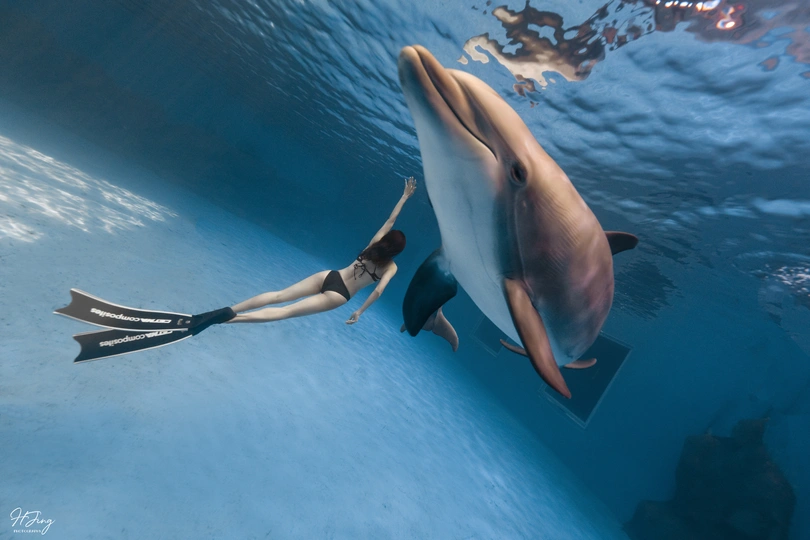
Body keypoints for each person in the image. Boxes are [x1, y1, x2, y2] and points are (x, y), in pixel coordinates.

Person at [227, 177, 417, 326]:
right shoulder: (391, 267)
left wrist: (404, 197)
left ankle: (227, 311)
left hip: (330, 276)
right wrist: (359, 312)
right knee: (286, 311)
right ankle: (229, 320)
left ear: (386, 239)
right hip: (339, 295)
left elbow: (391, 220)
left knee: (278, 296)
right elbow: (378, 291)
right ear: (398, 251)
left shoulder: (374, 243)